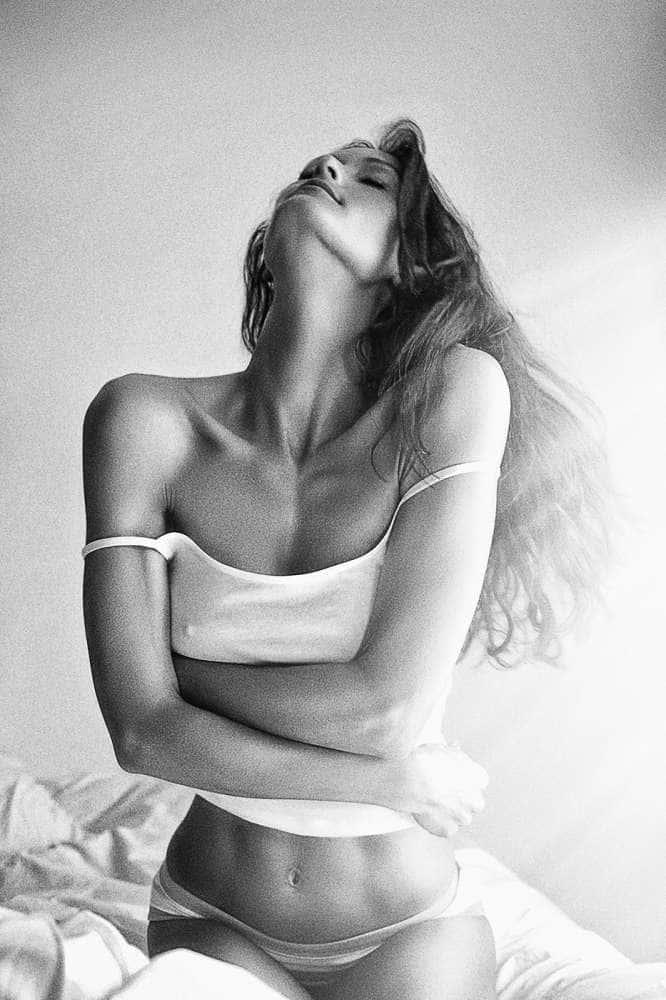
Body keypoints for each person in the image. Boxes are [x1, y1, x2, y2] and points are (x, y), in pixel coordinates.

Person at [81, 119, 613, 1000]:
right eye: (321, 165)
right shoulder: (142, 422)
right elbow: (139, 738)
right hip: (212, 912)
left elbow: (382, 711)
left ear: (408, 264)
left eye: (371, 181)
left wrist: (180, 680)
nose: (326, 167)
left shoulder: (452, 395)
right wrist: (395, 783)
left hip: (409, 927)